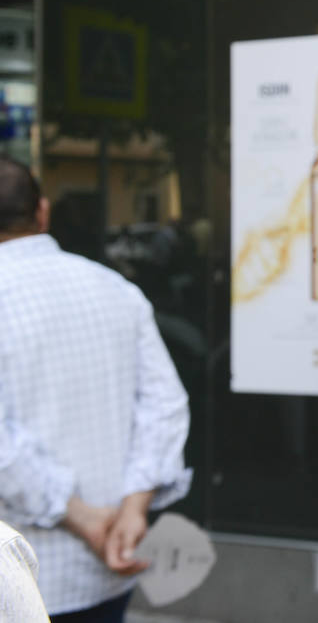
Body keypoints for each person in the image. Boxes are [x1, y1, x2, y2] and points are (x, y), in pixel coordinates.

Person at [0, 157, 192, 621]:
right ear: (42, 212)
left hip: (18, 581)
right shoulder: (115, 288)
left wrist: (83, 516)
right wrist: (132, 508)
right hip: (110, 563)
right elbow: (166, 404)